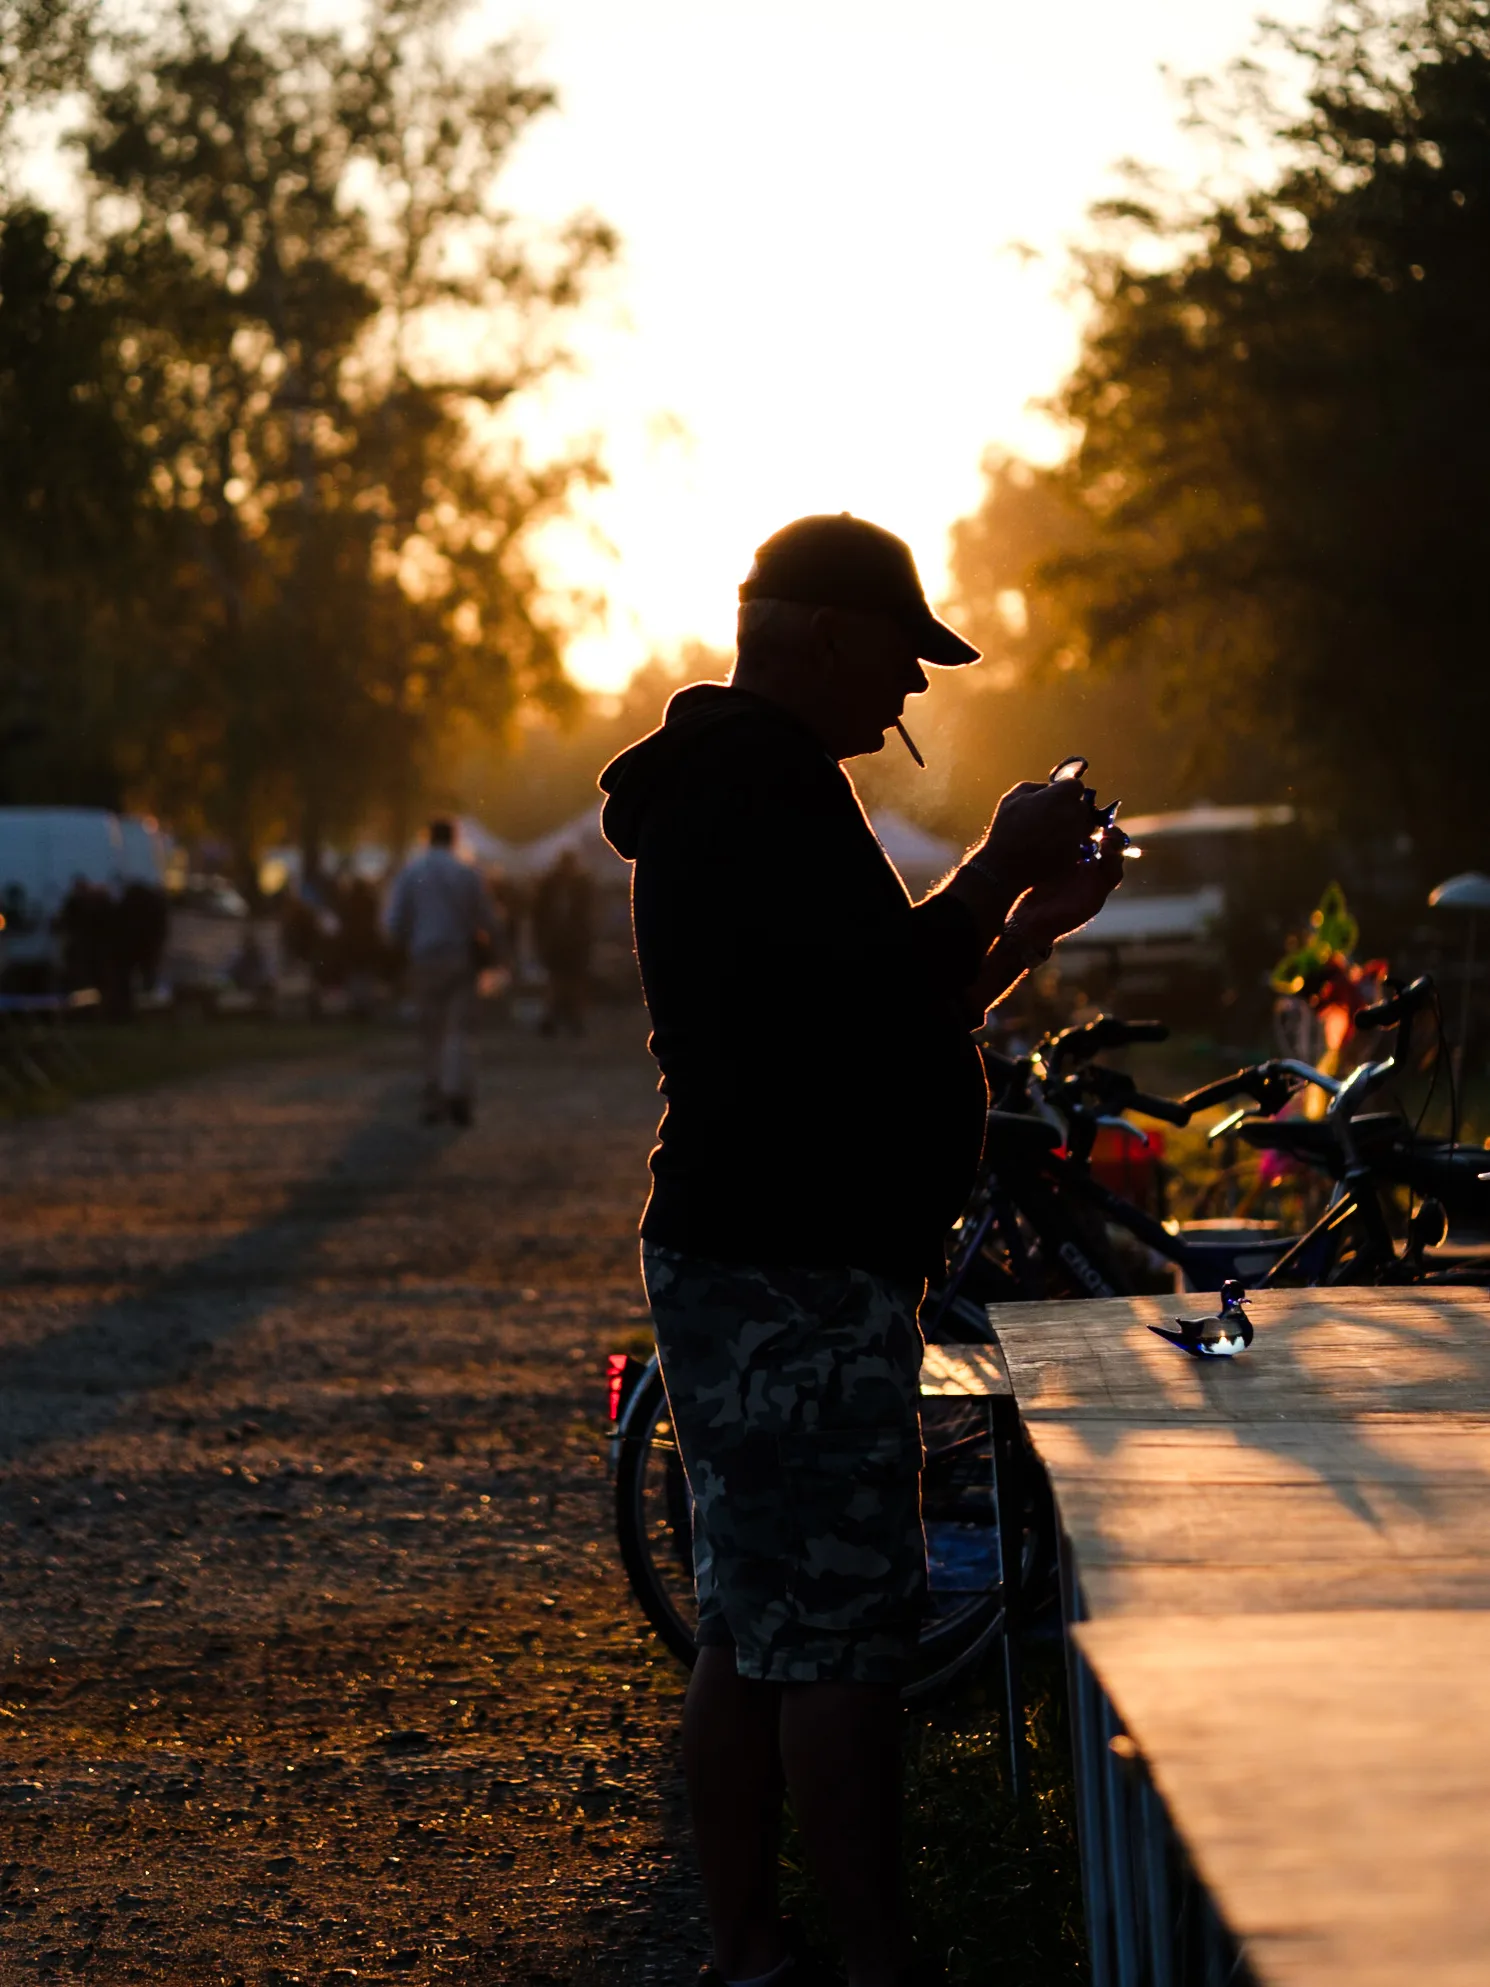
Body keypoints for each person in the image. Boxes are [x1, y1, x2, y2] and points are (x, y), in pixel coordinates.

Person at [599, 513, 1124, 1987]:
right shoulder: (758, 784)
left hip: (766, 1252)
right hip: (789, 1260)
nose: (911, 690)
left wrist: (1022, 929)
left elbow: (869, 1014)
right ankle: (871, 1964)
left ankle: (755, 1951)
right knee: (835, 1640)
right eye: (903, 655)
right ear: (826, 634)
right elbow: (871, 993)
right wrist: (993, 860)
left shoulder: (747, 779)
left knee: (753, 1621)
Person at [382, 819, 499, 1126]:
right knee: (459, 1030)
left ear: (427, 838)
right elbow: (487, 918)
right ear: (454, 839)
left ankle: (433, 1093)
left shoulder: (411, 873)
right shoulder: (467, 872)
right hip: (460, 958)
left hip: (424, 959)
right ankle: (457, 1091)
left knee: (430, 1032)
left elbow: (393, 923)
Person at [531, 848, 595, 1036]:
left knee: (564, 981)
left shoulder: (570, 886)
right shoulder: (569, 886)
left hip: (567, 941)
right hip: (563, 942)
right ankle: (562, 1018)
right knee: (563, 981)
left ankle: (563, 1018)